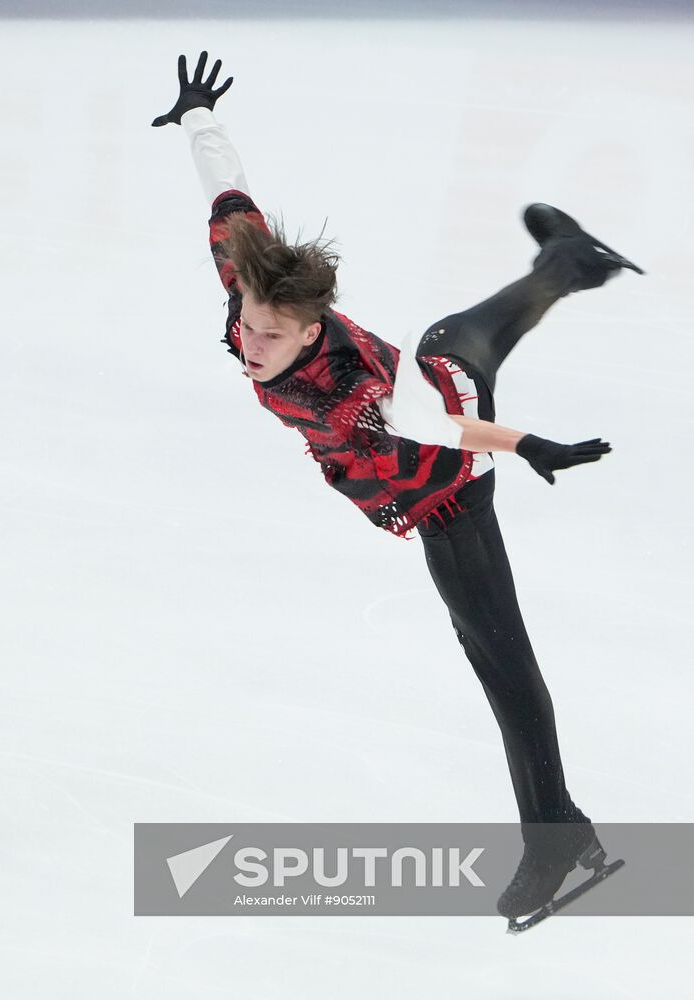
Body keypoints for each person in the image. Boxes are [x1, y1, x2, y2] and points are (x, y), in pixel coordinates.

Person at [152, 52, 641, 922]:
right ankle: (570, 258)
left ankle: (558, 839)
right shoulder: (254, 290)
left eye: (270, 337)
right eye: (247, 327)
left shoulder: (366, 393)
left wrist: (533, 446)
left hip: (448, 483)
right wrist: (198, 116)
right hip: (438, 368)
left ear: (312, 331)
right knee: (463, 337)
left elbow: (450, 430)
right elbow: (228, 198)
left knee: (498, 657)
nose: (250, 345)